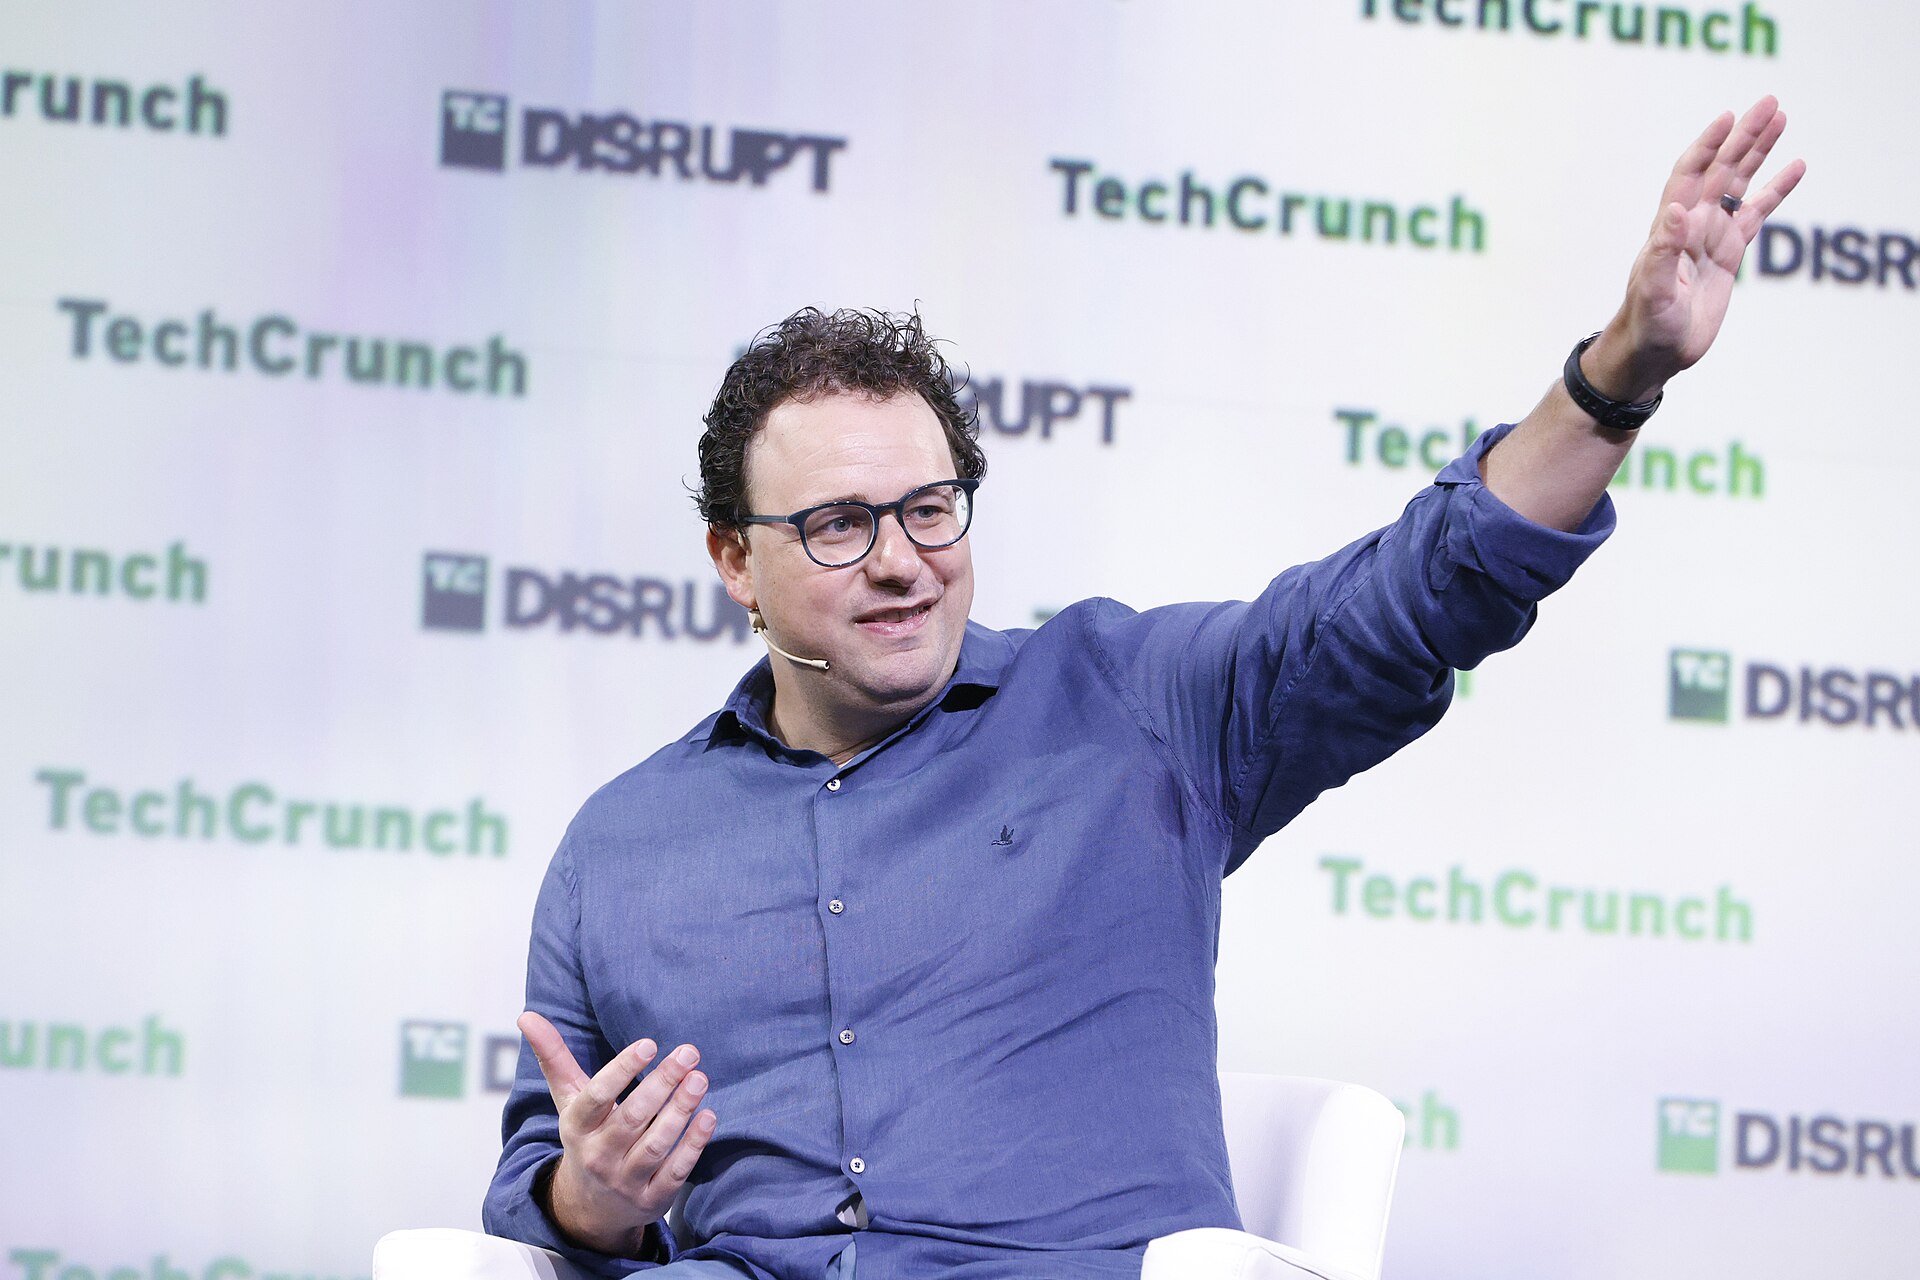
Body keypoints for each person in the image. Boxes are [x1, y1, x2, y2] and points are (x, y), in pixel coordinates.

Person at [483, 100, 1802, 1279]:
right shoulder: (622, 846)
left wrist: (1619, 375)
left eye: (930, 509)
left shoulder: (1135, 708)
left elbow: (1419, 591)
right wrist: (594, 1198)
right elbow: (542, 1187)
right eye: (838, 525)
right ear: (735, 561)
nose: (899, 563)